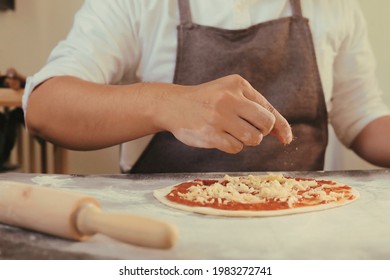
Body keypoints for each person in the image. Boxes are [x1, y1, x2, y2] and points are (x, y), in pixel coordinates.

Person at [23, 0, 390, 173]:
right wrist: (165, 103)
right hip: (166, 235)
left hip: (301, 225)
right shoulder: (135, 5)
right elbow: (45, 108)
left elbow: (362, 117)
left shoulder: (336, 8)